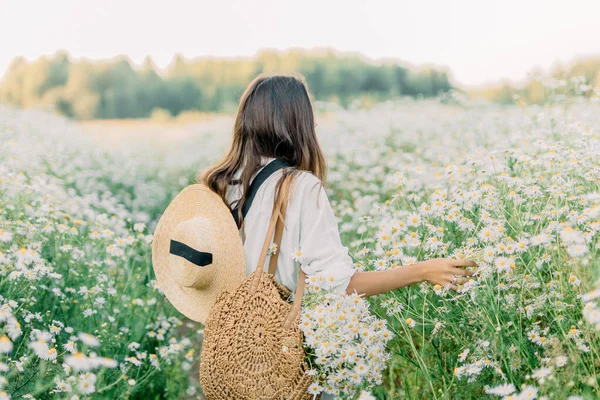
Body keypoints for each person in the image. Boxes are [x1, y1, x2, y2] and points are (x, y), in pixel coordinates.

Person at [198, 72, 476, 398]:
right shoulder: (299, 188)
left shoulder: (222, 185)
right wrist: (423, 270)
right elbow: (341, 285)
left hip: (233, 361)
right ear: (296, 123)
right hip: (282, 363)